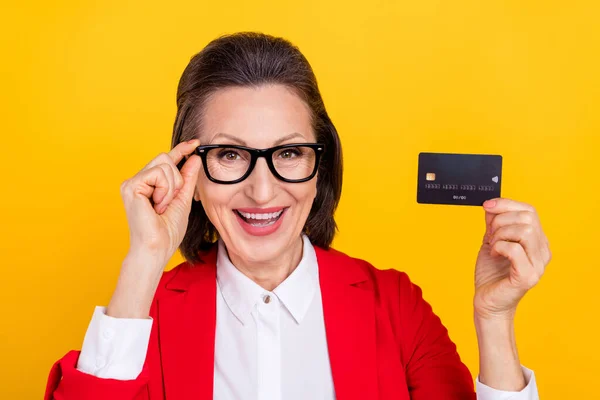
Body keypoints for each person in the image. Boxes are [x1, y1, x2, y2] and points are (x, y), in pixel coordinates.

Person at [45, 32, 551, 400]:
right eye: (229, 155)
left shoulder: (394, 307)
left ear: (318, 167)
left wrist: (495, 318)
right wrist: (143, 262)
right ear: (188, 175)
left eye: (288, 154)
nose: (262, 191)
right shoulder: (140, 319)